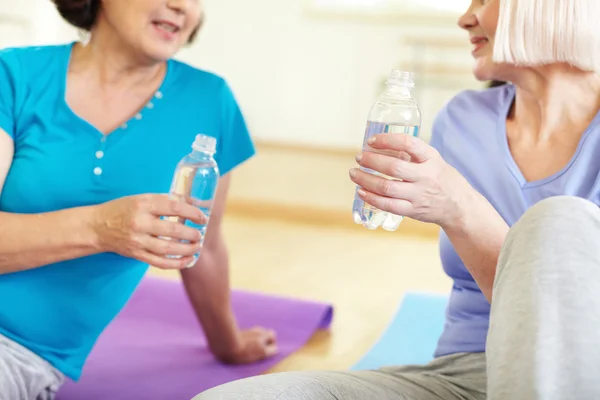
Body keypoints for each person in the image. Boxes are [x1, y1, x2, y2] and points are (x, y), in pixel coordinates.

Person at [197, 0, 600, 398]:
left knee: (557, 222)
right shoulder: (464, 119)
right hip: (462, 375)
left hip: (582, 375)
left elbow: (567, 327)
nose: (464, 18)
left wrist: (461, 208)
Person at [0, 0, 278, 398]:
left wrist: (228, 343)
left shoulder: (209, 100)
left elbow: (204, 243)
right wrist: (101, 229)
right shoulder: (13, 74)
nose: (182, 5)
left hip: (15, 353)